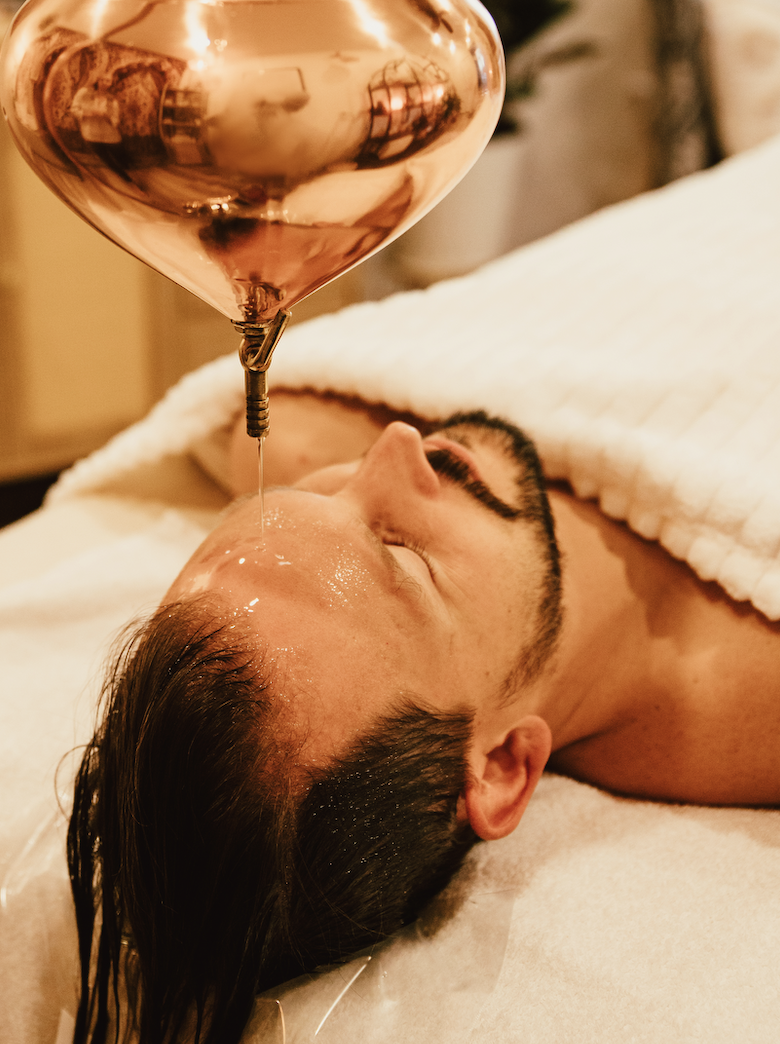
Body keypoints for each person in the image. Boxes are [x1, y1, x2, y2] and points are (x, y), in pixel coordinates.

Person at [67, 391, 780, 1044]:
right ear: (502, 767)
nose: (398, 446)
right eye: (405, 557)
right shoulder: (756, 688)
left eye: (311, 497)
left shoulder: (296, 440)